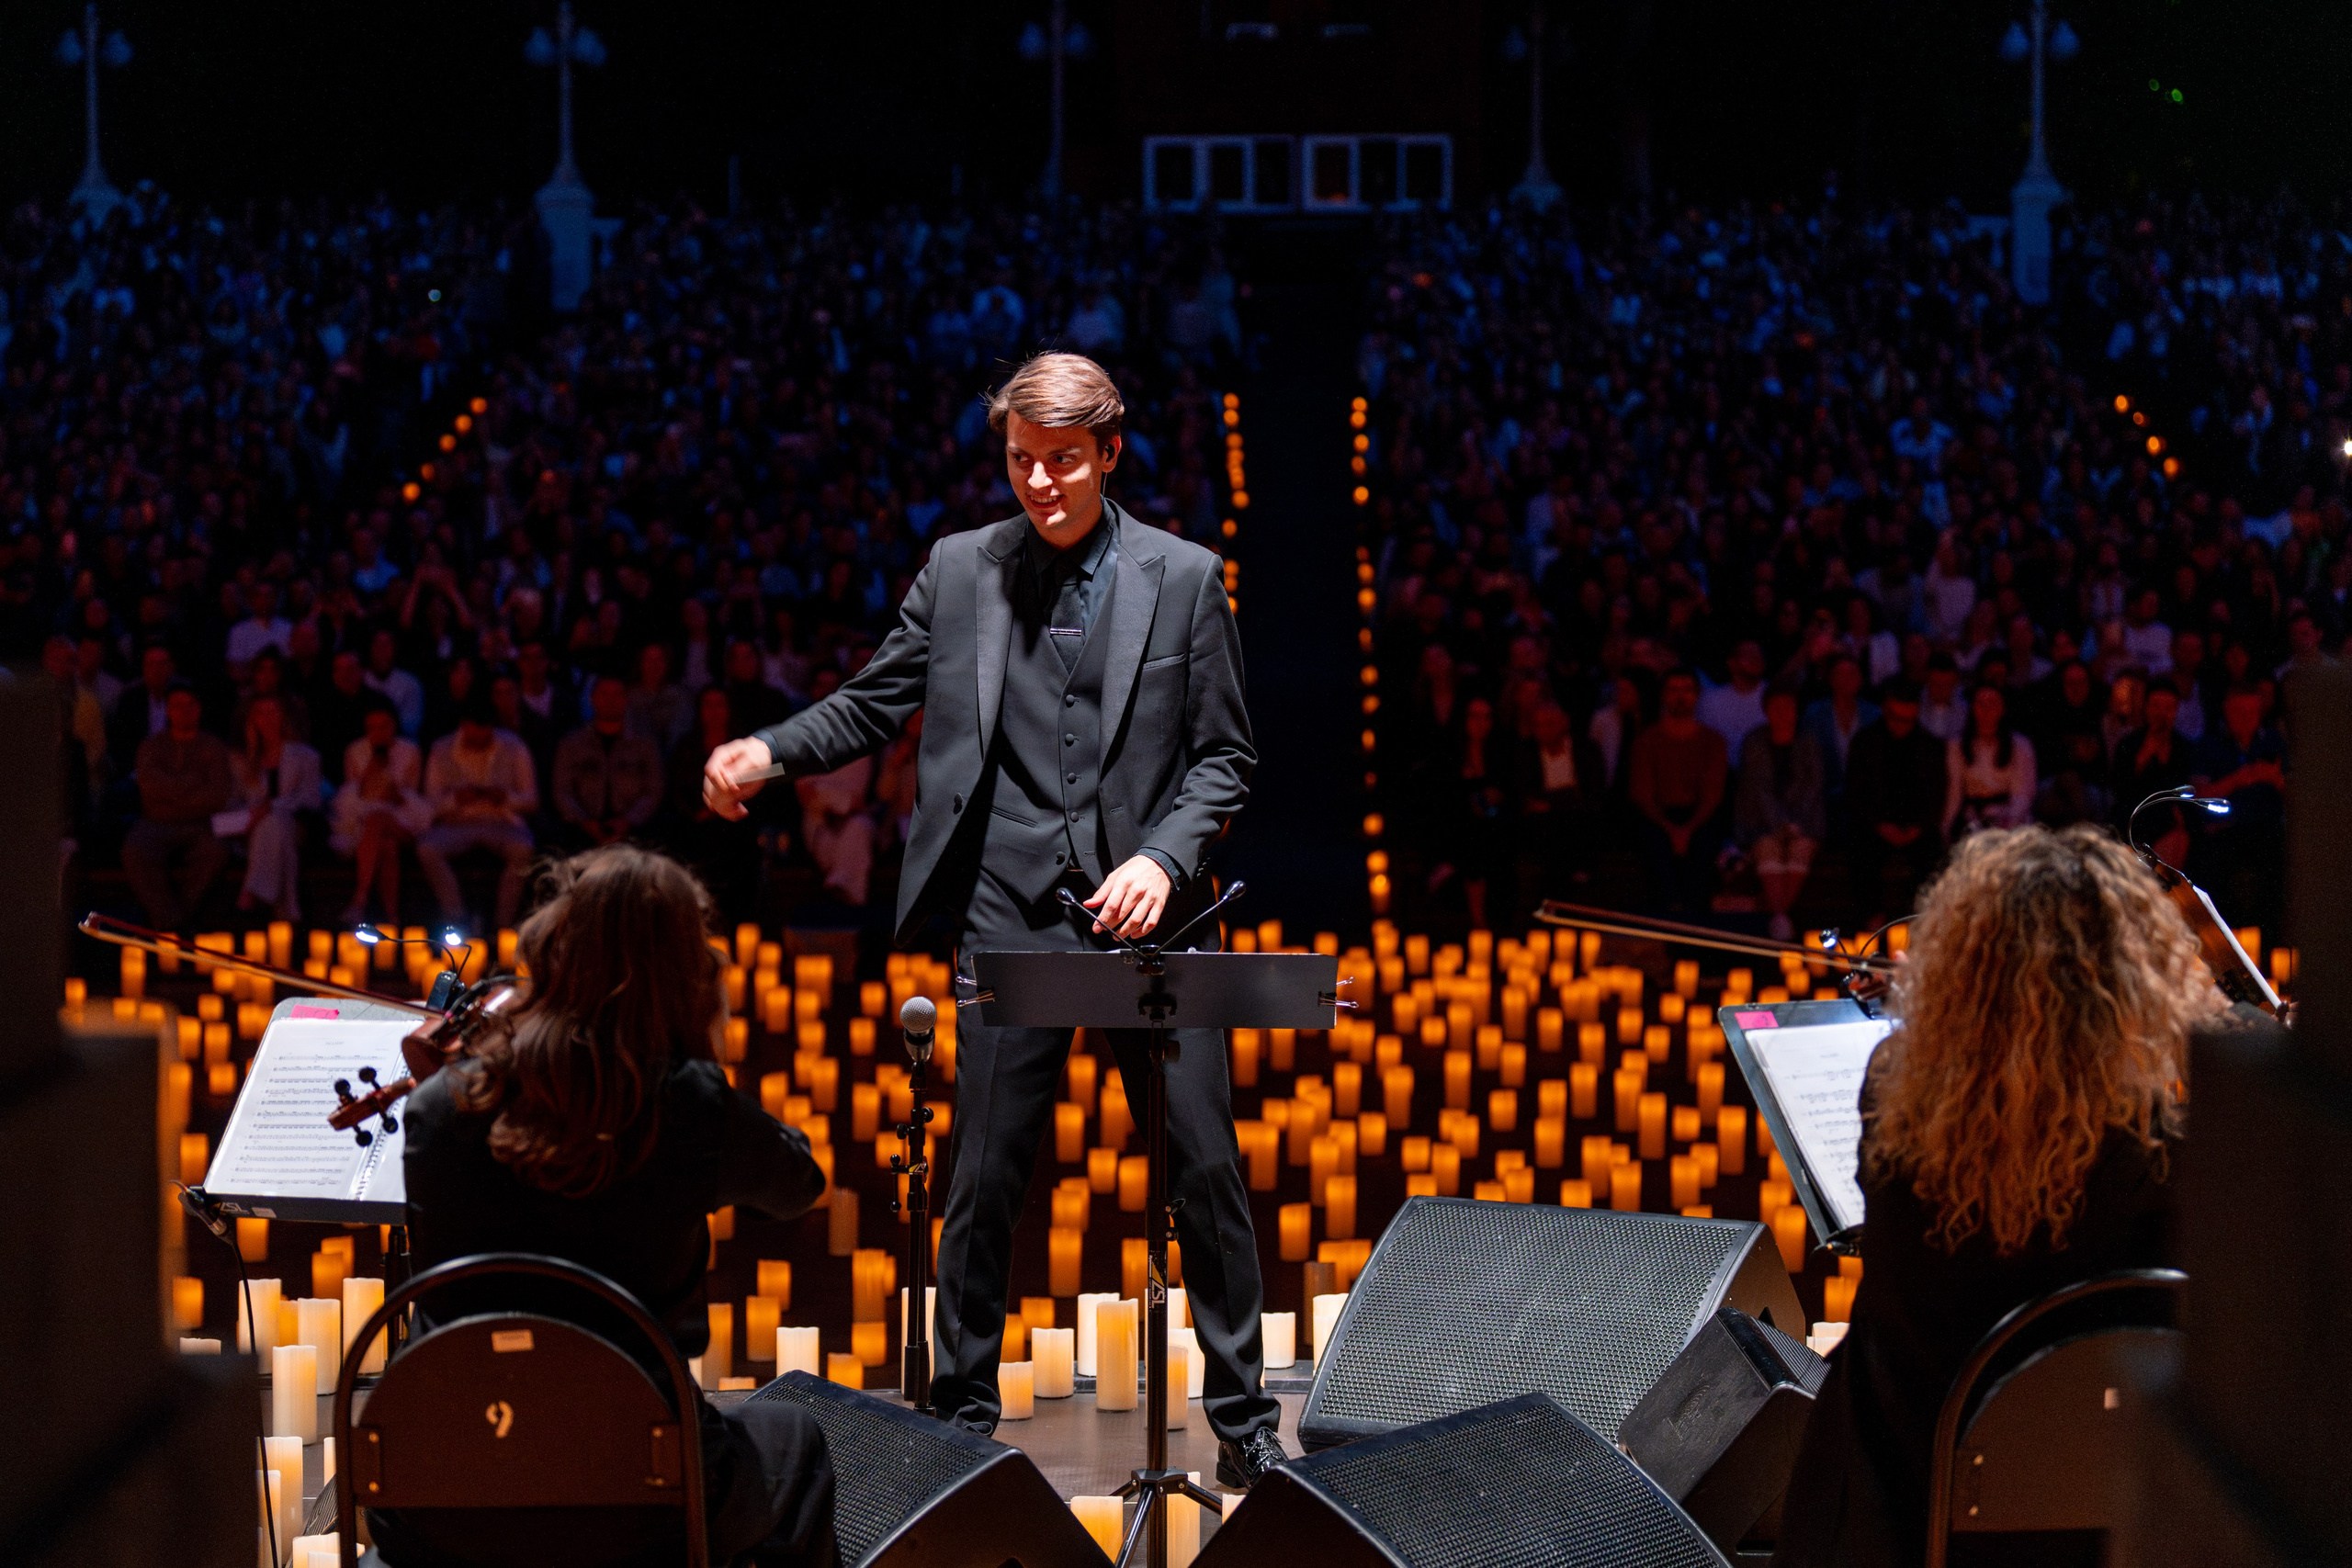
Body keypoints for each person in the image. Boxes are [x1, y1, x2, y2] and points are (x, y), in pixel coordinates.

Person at [699, 352, 1288, 1486]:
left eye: (1062, 462)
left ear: (1109, 454)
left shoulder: (1184, 575)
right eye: (1021, 462)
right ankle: (962, 1423)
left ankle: (1246, 1430)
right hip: (1008, 915)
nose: (1040, 484)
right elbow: (876, 701)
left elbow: (1225, 757)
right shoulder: (959, 570)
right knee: (981, 1180)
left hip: (1151, 932)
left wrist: (1164, 861)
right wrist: (771, 750)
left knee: (1204, 1171)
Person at [1774, 825, 2229, 1568]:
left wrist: (1936, 1013)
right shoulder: (2163, 1153)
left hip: (1903, 1515)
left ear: (1963, 974)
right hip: (2095, 1522)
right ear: (2130, 984)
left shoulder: (1896, 1098)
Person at [385, 844, 837, 1568]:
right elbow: (797, 1184)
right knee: (800, 1440)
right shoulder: (686, 1104)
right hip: (642, 1492)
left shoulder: (439, 1105)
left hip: (442, 1489)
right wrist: (696, 1060)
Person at [418, 696, 540, 930]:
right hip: (455, 823)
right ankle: (455, 917)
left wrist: (505, 797)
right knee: (427, 848)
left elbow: (531, 799)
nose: (479, 736)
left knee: (524, 850)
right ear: (463, 725)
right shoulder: (441, 749)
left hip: (502, 821)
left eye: (485, 729)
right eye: (473, 729)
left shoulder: (514, 747)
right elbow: (430, 803)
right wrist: (456, 800)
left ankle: (503, 924)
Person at [122, 683, 234, 931]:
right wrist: (194, 782)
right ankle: (171, 920)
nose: (183, 711)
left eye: (189, 705)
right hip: (155, 821)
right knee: (135, 850)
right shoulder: (151, 747)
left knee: (217, 851)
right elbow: (150, 789)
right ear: (168, 711)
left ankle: (176, 918)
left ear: (199, 709)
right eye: (177, 706)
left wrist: (172, 791)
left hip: (201, 824)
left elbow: (217, 795)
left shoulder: (213, 747)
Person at [1844, 682, 1948, 924]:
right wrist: (1880, 826)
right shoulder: (1865, 741)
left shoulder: (1929, 745)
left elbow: (1936, 795)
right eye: (1896, 717)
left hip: (1917, 827)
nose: (1901, 726)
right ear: (1885, 710)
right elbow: (1854, 794)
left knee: (1934, 857)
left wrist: (1917, 828)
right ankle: (1873, 921)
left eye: (1908, 719)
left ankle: (1919, 923)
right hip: (1874, 825)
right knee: (1860, 851)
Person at [1628, 668, 1728, 912]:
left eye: (1686, 690)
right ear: (1663, 695)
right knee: (1655, 847)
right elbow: (1642, 794)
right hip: (1658, 816)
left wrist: (1687, 830)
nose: (1680, 697)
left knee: (1704, 846)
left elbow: (1712, 795)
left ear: (1696, 695)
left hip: (1699, 816)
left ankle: (1696, 925)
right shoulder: (1646, 741)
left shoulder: (1713, 741)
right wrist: (1671, 830)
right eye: (1673, 690)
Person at [1734, 683, 1827, 941]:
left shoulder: (1809, 741)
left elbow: (1814, 786)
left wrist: (1796, 824)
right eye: (1777, 707)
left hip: (1806, 821)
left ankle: (1776, 914)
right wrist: (1780, 824)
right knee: (1767, 848)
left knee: (1800, 848)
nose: (1784, 713)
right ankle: (1781, 918)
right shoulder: (1754, 742)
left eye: (1789, 707)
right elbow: (1756, 788)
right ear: (1766, 710)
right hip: (1761, 821)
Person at [333, 699, 434, 926]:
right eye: (373, 727)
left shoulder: (410, 752)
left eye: (384, 726)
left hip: (402, 820)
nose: (378, 732)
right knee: (387, 846)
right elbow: (352, 795)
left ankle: (359, 901)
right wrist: (369, 776)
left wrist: (394, 795)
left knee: (380, 820)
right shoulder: (355, 751)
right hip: (363, 823)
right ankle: (392, 919)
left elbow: (413, 796)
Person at [227, 693, 322, 919]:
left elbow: (311, 799)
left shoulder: (305, 756)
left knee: (276, 821)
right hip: (248, 828)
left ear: (283, 717)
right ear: (252, 719)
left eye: (273, 712)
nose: (267, 719)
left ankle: (251, 893)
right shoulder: (239, 760)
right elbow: (232, 801)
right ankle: (286, 910)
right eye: (261, 713)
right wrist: (253, 814)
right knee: (275, 827)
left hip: (294, 824)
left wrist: (271, 808)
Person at [553, 672, 665, 849]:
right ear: (593, 699)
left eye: (617, 695)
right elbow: (562, 791)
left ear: (626, 699)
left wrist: (628, 821)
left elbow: (653, 790)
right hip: (582, 830)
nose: (610, 701)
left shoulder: (645, 743)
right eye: (604, 694)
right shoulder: (572, 743)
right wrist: (585, 822)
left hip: (634, 831)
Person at [1942, 684, 2037, 839]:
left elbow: (2023, 793)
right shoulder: (1957, 744)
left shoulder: (2020, 745)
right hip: (1973, 818)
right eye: (1981, 704)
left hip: (2010, 817)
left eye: (1993, 703)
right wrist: (1946, 825)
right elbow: (1955, 790)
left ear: (2003, 708)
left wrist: (2008, 821)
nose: (1986, 711)